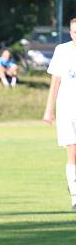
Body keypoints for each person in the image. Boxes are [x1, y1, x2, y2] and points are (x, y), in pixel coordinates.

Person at [43, 17, 76, 210]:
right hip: (67, 109)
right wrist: (49, 109)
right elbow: (55, 82)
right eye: (73, 32)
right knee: (73, 152)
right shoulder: (61, 51)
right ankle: (75, 196)